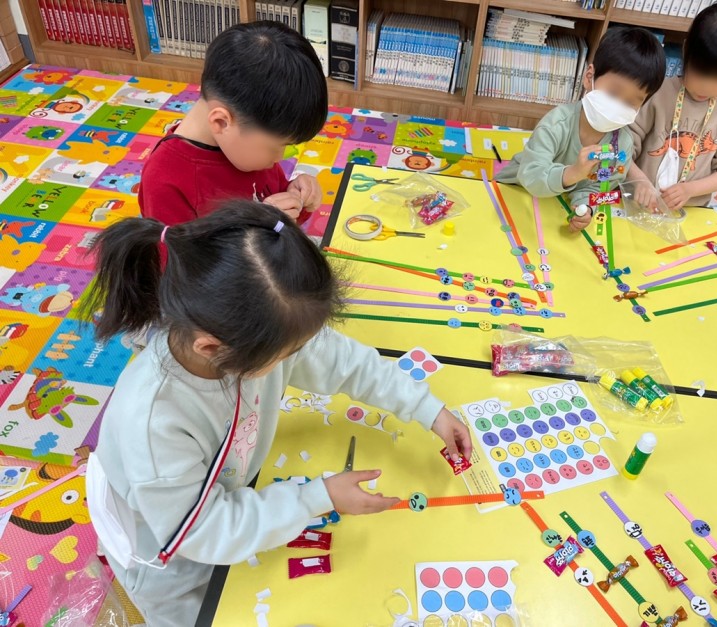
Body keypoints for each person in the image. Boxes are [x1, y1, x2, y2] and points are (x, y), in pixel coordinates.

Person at [81, 201, 472, 627]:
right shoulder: (154, 422)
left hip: (219, 500)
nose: (298, 357)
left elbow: (342, 361)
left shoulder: (249, 332)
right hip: (167, 560)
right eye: (288, 353)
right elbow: (202, 532)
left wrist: (427, 409)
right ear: (213, 348)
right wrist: (317, 497)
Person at [138, 21, 327, 226]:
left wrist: (296, 196)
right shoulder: (165, 181)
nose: (279, 158)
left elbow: (274, 204)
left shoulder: (244, 146)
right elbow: (174, 249)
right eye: (276, 147)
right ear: (221, 122)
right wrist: (259, 227)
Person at [496, 27, 666, 231]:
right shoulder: (557, 123)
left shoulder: (622, 144)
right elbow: (531, 175)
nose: (618, 106)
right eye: (613, 93)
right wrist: (573, 173)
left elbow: (598, 186)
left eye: (630, 102)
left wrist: (585, 208)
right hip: (517, 193)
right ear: (589, 77)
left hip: (556, 211)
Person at [630, 2, 717, 211]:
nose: (705, 87)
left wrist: (690, 189)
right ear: (685, 50)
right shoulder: (656, 91)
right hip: (638, 200)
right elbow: (623, 145)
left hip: (692, 209)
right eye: (699, 72)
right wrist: (639, 181)